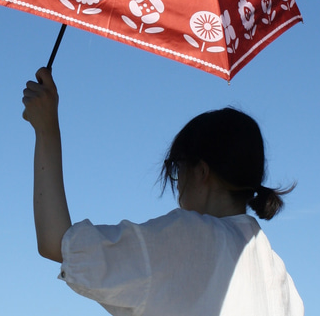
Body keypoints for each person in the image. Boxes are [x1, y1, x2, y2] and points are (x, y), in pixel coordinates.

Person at [22, 67, 303, 316]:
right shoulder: (283, 282)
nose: (177, 186)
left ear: (202, 172)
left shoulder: (189, 238)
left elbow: (56, 243)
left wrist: (46, 128)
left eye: (176, 169)